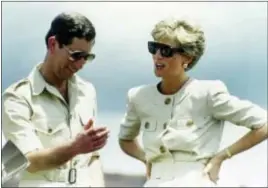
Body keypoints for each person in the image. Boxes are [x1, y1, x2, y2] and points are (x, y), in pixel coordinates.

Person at [118, 17, 267, 187]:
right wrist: (146, 159)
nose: (157, 56)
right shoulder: (138, 96)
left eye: (166, 51)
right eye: (153, 48)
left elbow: (263, 124)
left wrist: (222, 156)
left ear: (187, 58)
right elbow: (125, 139)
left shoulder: (208, 93)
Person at [2, 12, 109, 187]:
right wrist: (75, 147)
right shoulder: (17, 97)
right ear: (53, 44)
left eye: (86, 57)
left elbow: (93, 157)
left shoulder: (87, 91)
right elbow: (29, 161)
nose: (80, 64)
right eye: (76, 55)